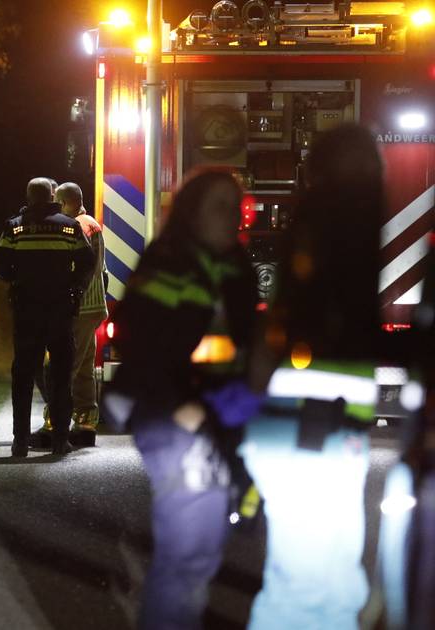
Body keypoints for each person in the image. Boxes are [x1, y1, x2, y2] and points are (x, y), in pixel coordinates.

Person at [238, 124, 392, 629]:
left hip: (316, 421)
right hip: (313, 422)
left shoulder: (328, 222)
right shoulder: (341, 223)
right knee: (313, 585)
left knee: (327, 580)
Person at [103, 170, 257, 630]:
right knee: (189, 554)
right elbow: (139, 341)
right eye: (219, 206)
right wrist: (179, 406)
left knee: (202, 551)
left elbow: (246, 344)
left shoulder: (236, 266)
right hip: (175, 417)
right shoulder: (169, 261)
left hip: (219, 413)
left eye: (236, 206)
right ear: (191, 211)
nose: (231, 216)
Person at [0, 178, 95, 456]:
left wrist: (19, 279)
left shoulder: (14, 226)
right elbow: (87, 262)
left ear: (28, 196)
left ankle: (20, 441)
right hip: (60, 310)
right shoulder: (69, 226)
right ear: (51, 196)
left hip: (26, 311)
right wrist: (73, 287)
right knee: (61, 376)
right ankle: (61, 440)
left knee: (23, 376)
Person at [56, 182, 108, 446]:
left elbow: (79, 267)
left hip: (81, 307)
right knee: (85, 367)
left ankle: (53, 423)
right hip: (95, 306)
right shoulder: (91, 222)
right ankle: (86, 425)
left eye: (57, 203)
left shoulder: (78, 226)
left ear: (66, 203)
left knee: (67, 365)